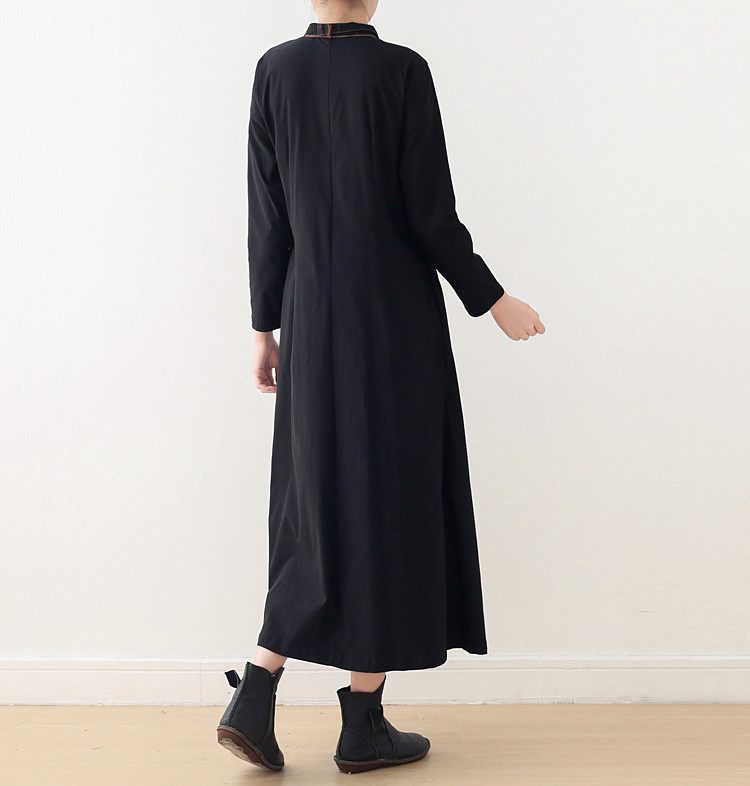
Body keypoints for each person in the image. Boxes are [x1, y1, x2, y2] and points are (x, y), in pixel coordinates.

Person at [217, 0, 545, 774]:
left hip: (312, 314)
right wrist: (493, 298)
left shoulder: (275, 71)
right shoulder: (401, 71)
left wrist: (265, 327)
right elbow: (430, 213)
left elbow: (268, 212)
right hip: (394, 319)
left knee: (314, 500)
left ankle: (258, 690)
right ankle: (361, 723)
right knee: (389, 500)